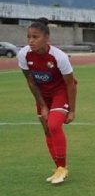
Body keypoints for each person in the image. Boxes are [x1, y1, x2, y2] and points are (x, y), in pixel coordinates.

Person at [18, 18, 78, 184]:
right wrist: (43, 105)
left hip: (60, 92)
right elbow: (30, 81)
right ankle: (58, 168)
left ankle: (62, 168)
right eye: (29, 37)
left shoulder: (59, 57)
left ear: (47, 38)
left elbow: (71, 84)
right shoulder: (23, 54)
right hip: (42, 95)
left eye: (35, 37)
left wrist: (72, 110)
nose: (31, 41)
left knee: (53, 125)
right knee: (47, 130)